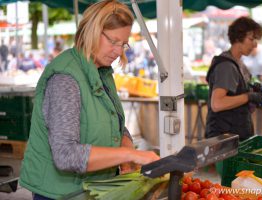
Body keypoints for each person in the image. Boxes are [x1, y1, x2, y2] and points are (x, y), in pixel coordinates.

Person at [19, 1, 160, 199]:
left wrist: (126, 145)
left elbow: (112, 122)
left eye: (123, 44)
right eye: (113, 41)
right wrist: (131, 154)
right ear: (92, 31)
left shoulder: (101, 71)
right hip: (62, 194)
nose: (119, 51)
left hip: (92, 189)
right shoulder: (65, 79)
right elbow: (66, 155)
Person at [205, 17, 262, 141]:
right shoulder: (226, 66)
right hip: (222, 142)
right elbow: (217, 104)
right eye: (251, 39)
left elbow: (239, 107)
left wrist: (252, 96)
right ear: (238, 38)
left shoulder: (240, 65)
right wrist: (248, 96)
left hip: (235, 137)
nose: (255, 44)